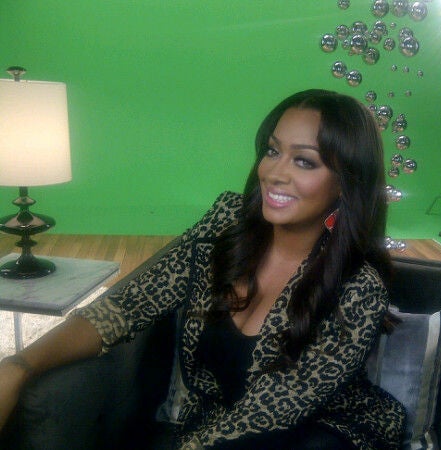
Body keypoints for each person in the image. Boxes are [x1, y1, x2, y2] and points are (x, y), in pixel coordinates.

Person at [0, 89, 405, 449]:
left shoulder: (360, 286)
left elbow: (273, 413)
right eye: (272, 151)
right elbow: (126, 306)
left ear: (345, 183)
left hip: (322, 432)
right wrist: (20, 366)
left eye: (304, 161)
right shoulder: (225, 224)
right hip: (218, 430)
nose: (274, 173)